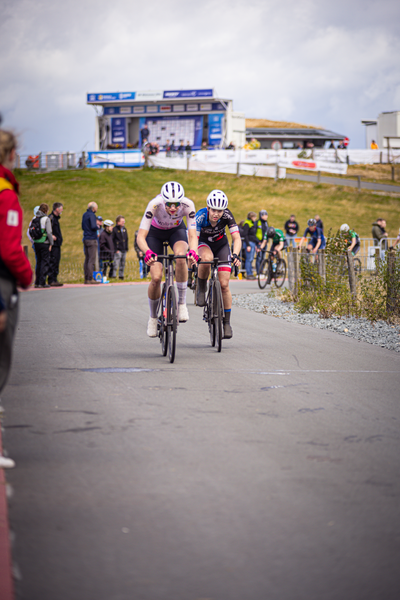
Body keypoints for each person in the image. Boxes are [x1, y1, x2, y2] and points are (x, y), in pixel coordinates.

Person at [0, 129, 33, 467]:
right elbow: (9, 249)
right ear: (10, 155)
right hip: (2, 282)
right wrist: (25, 275)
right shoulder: (5, 193)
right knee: (0, 358)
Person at [137, 181, 199, 337]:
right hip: (154, 234)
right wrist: (147, 252)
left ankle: (182, 303)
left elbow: (192, 235)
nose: (173, 208)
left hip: (176, 231)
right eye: (169, 204)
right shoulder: (154, 204)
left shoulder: (188, 205)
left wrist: (193, 251)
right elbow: (141, 236)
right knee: (156, 277)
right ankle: (152, 318)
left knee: (180, 256)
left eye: (176, 204)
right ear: (163, 200)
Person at [195, 190, 241, 339]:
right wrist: (194, 255)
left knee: (224, 284)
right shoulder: (201, 216)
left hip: (221, 246)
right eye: (213, 210)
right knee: (207, 258)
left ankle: (226, 322)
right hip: (203, 244)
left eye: (219, 211)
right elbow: (193, 238)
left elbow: (236, 237)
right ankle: (201, 287)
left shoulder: (227, 215)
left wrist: (235, 254)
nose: (216, 214)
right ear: (208, 208)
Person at [33, 203, 54, 288]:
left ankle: (37, 282)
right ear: (46, 211)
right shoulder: (46, 219)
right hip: (44, 243)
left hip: (36, 242)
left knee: (39, 262)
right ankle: (42, 282)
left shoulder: (35, 218)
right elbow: (49, 232)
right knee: (45, 262)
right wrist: (51, 243)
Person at [82, 201, 100, 284]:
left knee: (87, 259)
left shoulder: (84, 215)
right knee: (91, 259)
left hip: (85, 238)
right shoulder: (92, 215)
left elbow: (82, 226)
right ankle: (90, 278)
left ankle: (86, 278)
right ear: (93, 208)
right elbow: (93, 226)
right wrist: (97, 227)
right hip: (92, 239)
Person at [47, 202, 64, 286]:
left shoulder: (55, 219)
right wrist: (51, 237)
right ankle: (51, 279)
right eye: (61, 208)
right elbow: (47, 230)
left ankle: (55, 279)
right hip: (53, 245)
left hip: (57, 244)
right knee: (53, 261)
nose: (62, 210)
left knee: (56, 261)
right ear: (57, 209)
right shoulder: (51, 218)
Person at [111, 215, 129, 279]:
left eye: (124, 221)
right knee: (116, 263)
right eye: (122, 221)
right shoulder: (115, 230)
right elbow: (112, 240)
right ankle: (114, 275)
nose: (123, 222)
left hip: (124, 249)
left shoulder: (124, 229)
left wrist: (126, 248)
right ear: (118, 222)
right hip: (118, 250)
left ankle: (121, 276)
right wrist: (115, 249)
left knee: (122, 263)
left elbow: (126, 239)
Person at [242, 211, 258, 279]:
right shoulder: (247, 224)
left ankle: (251, 273)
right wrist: (248, 245)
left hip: (253, 243)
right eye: (254, 217)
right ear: (251, 217)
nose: (255, 218)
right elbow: (245, 235)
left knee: (251, 259)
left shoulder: (252, 223)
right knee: (248, 259)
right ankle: (249, 274)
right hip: (249, 243)